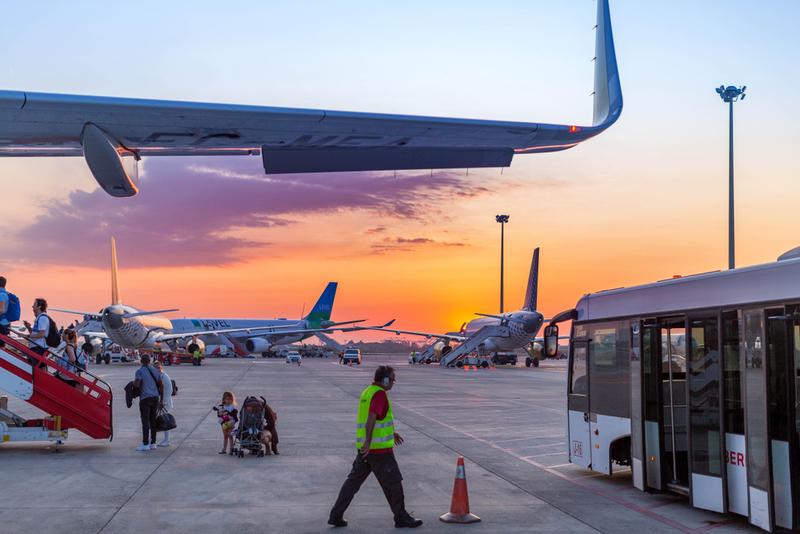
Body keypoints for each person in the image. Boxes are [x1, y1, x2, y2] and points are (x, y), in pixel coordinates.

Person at [328, 365, 422, 529]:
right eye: (392, 380)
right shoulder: (379, 394)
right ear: (385, 380)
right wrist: (368, 442)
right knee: (394, 484)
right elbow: (371, 417)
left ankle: (335, 515)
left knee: (352, 484)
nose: (393, 383)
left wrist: (392, 433)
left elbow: (377, 419)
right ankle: (401, 518)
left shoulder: (368, 392)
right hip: (379, 452)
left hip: (365, 452)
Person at [133, 354, 164, 451]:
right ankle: (153, 443)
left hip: (145, 399)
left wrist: (133, 385)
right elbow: (161, 386)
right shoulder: (155, 371)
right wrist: (161, 399)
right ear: (150, 361)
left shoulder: (139, 371)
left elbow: (137, 384)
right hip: (155, 398)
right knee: (153, 421)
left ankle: (145, 443)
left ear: (141, 361)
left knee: (145, 421)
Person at [22, 298, 51, 367]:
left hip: (38, 347)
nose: (32, 306)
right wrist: (29, 328)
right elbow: (36, 333)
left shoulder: (42, 318)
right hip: (36, 346)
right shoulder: (39, 318)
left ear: (39, 306)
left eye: (34, 304)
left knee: (36, 368)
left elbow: (41, 334)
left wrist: (27, 336)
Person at [153, 359, 173, 447]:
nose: (157, 369)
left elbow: (169, 390)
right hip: (158, 402)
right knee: (156, 421)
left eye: (158, 368)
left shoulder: (164, 376)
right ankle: (153, 439)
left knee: (165, 421)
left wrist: (163, 401)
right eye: (155, 368)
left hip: (165, 403)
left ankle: (167, 440)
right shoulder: (155, 376)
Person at [0, 276, 10, 347]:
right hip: (4, 323)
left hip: (2, 324)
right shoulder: (4, 293)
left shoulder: (2, 295)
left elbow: (2, 310)